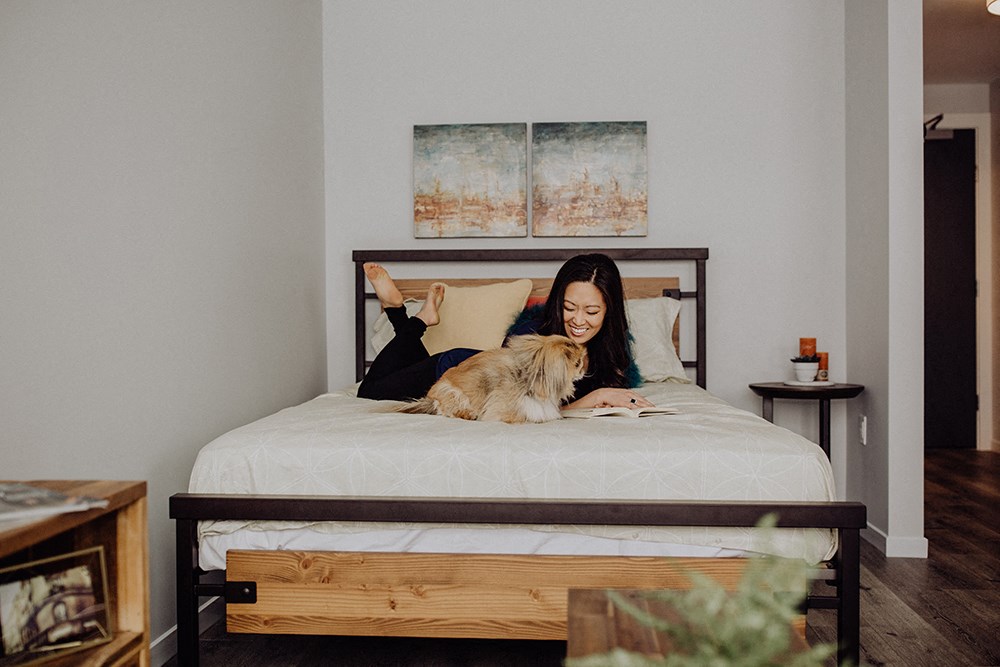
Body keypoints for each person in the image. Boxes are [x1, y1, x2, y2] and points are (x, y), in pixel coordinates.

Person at [357, 253, 653, 410]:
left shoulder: (613, 351)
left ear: (609, 312)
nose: (578, 320)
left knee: (405, 362)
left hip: (468, 370)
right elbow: (524, 407)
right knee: (369, 392)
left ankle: (404, 316)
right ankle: (409, 315)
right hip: (452, 373)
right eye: (568, 307)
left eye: (591, 312)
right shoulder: (530, 336)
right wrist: (596, 396)